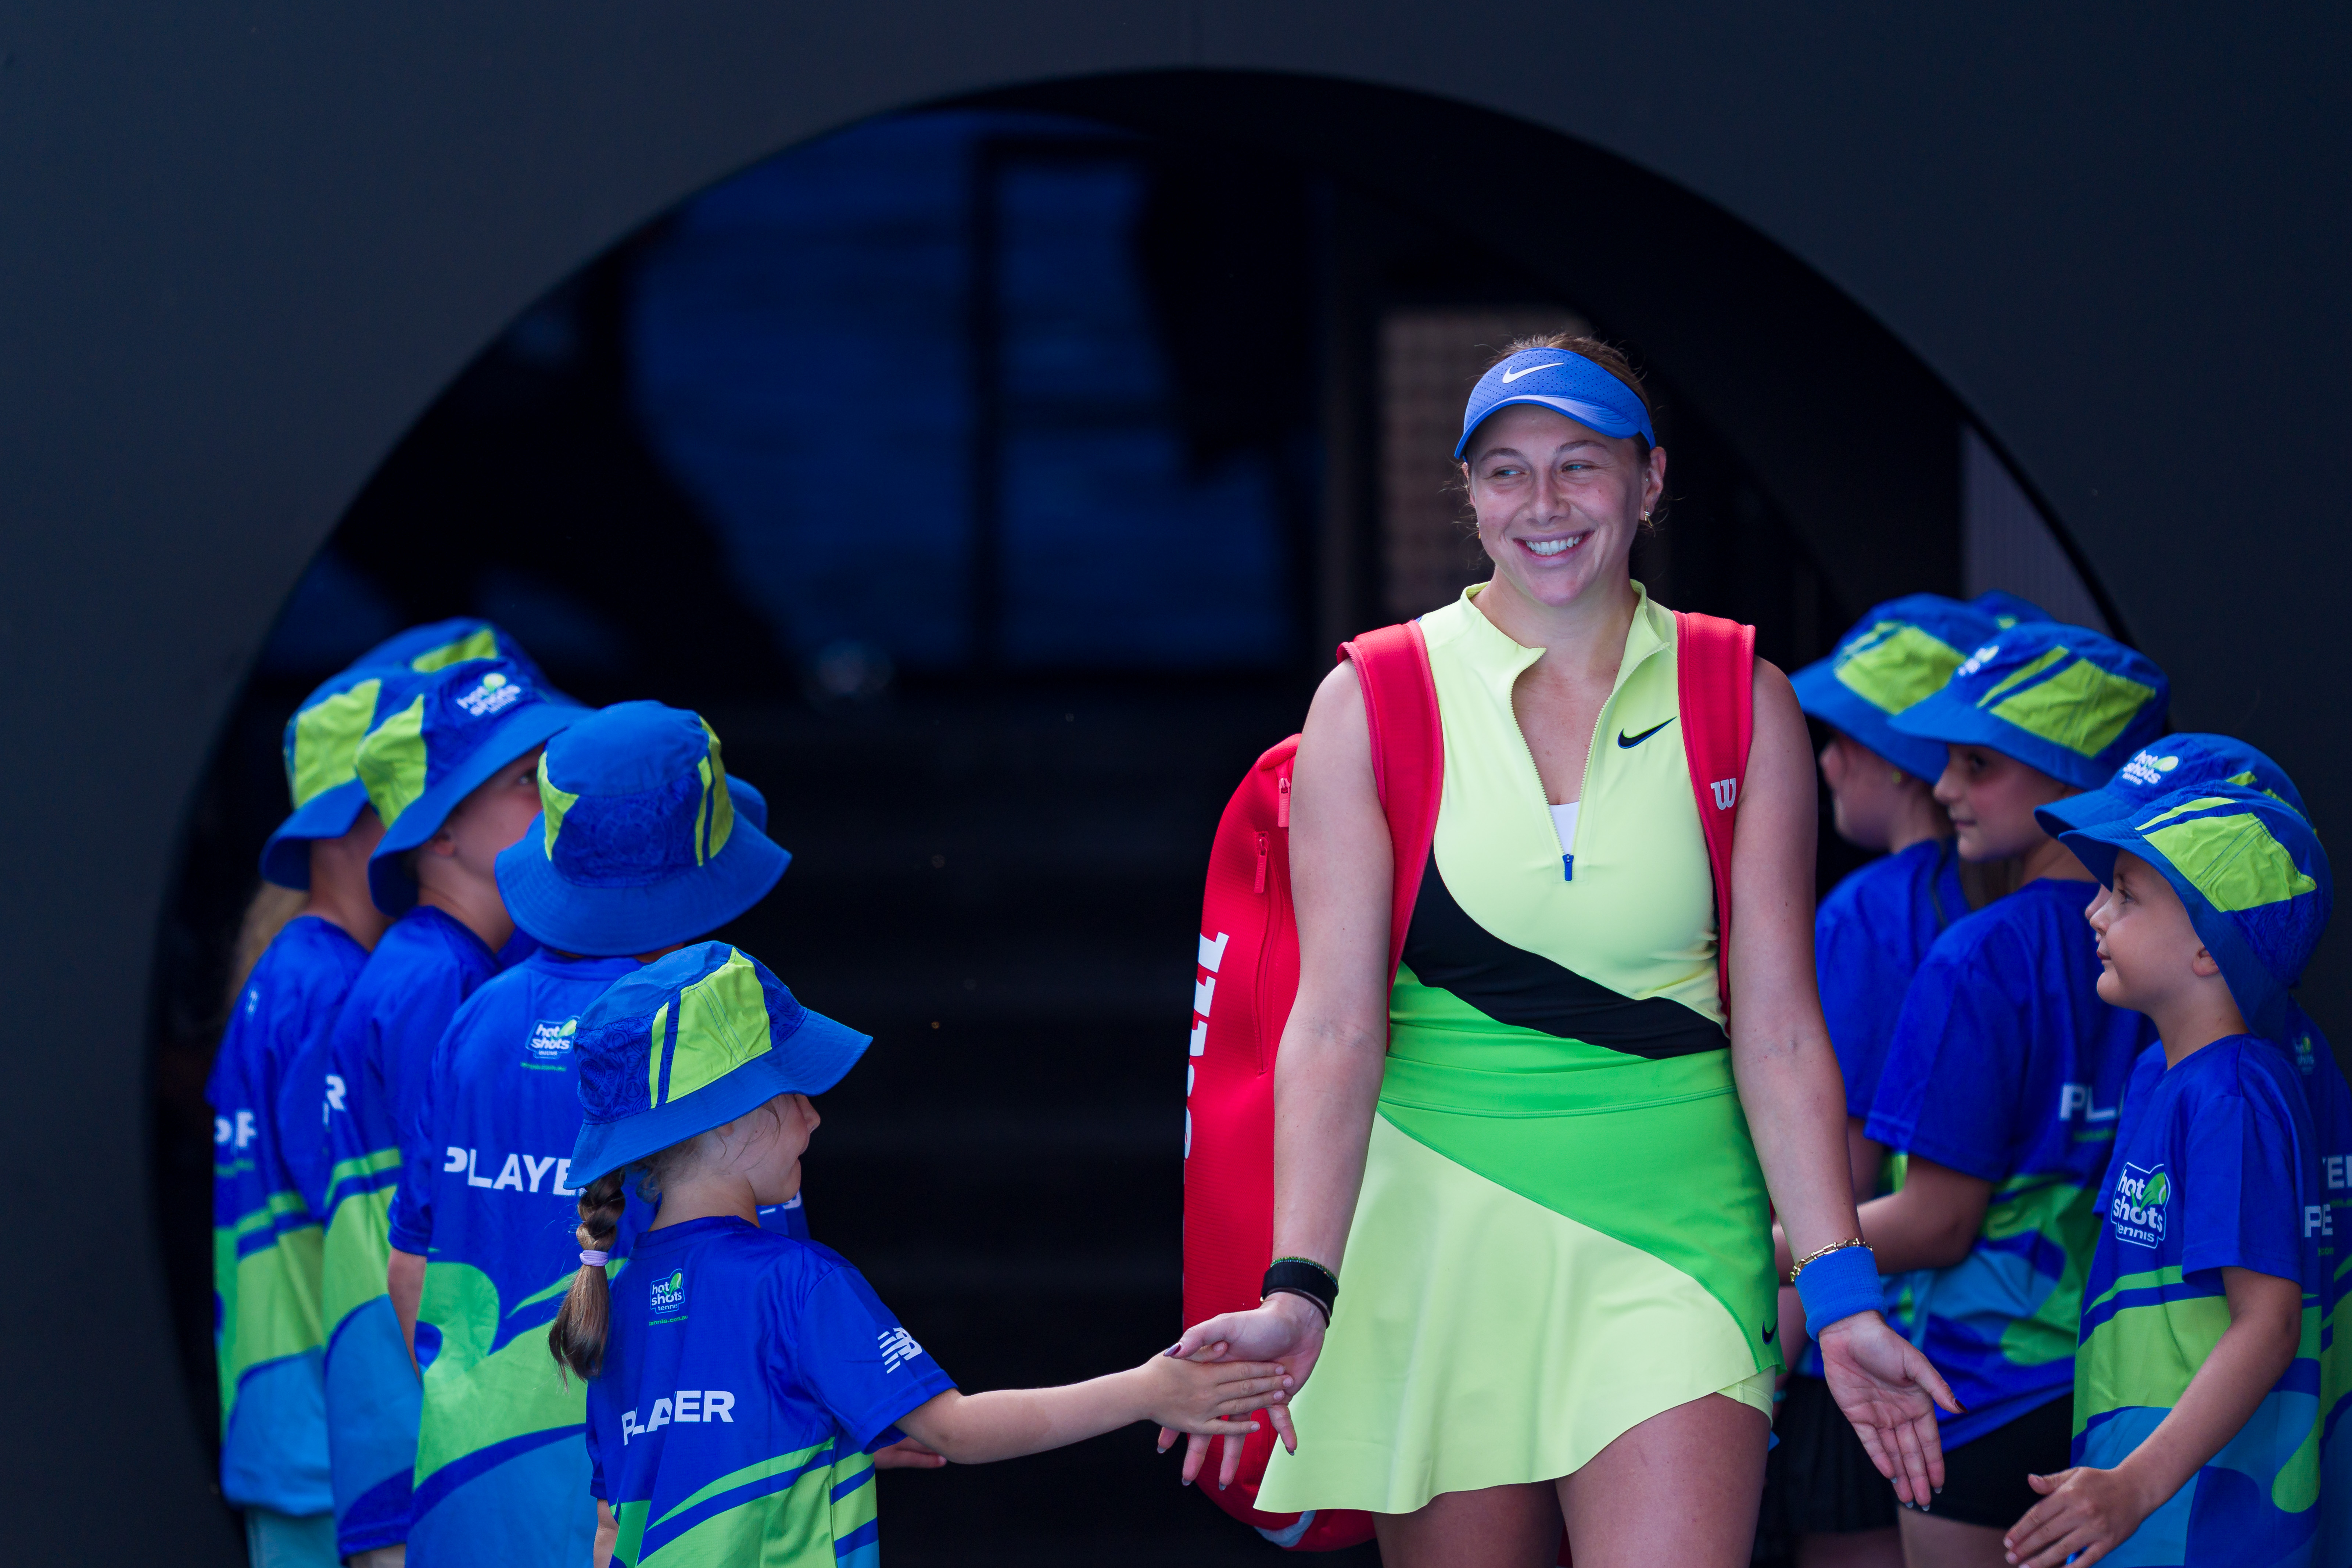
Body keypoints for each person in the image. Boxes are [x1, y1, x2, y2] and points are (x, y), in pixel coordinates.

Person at [1170, 337, 1954, 1568]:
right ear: (1470, 493)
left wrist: (1845, 1293)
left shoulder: (1738, 689)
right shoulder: (1373, 695)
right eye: (1506, 471)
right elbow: (1332, 1024)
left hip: (1679, 1237)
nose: (1542, 505)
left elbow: (1783, 1024)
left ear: (1648, 482)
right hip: (1436, 1231)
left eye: (1579, 466)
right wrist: (1301, 1283)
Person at [550, 941, 1294, 1567]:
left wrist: (832, 1449)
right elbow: (958, 1430)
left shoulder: (610, 1295)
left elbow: (613, 1528)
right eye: (795, 1091)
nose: (814, 1115)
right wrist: (1147, 1390)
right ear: (733, 1125)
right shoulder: (797, 1281)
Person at [387, 702, 794, 1567]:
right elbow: (759, 1306)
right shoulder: (705, 1036)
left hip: (467, 1499)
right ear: (702, 872)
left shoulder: (475, 1018)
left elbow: (409, 1273)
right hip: (648, 1514)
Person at [1852, 620, 2170, 1567]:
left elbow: (1938, 1221)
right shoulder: (2190, 952)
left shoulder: (1982, 951)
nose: (1943, 786)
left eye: (1977, 762)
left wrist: (1771, 1247)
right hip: (2124, 1394)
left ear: (2074, 779)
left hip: (1975, 1394)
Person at [2033, 736, 2352, 1567]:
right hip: (2154, 1523)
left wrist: (2133, 1486)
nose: (2092, 913)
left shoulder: (2232, 1095)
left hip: (2204, 1527)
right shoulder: (2166, 1073)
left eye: (2125, 894)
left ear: (2210, 945)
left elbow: (2266, 1322)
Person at [1776, 592, 2025, 1566]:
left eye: (1842, 735)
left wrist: (1767, 1353)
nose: (1827, 759)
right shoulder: (2062, 913)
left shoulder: (1868, 913)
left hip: (1862, 1332)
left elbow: (1838, 1160)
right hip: (2015, 1358)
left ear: (1899, 753)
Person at [315, 658, 580, 1565]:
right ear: (438, 836)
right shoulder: (443, 979)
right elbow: (435, 1241)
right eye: (517, 781)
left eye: (548, 768)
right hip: (426, 1444)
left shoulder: (432, 962)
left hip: (415, 1431)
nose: (548, 795)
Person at [210, 666, 410, 1567]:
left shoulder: (285, 970)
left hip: (281, 1421)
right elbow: (363, 1219)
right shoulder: (331, 988)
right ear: (359, 822)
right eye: (416, 802)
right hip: (332, 1442)